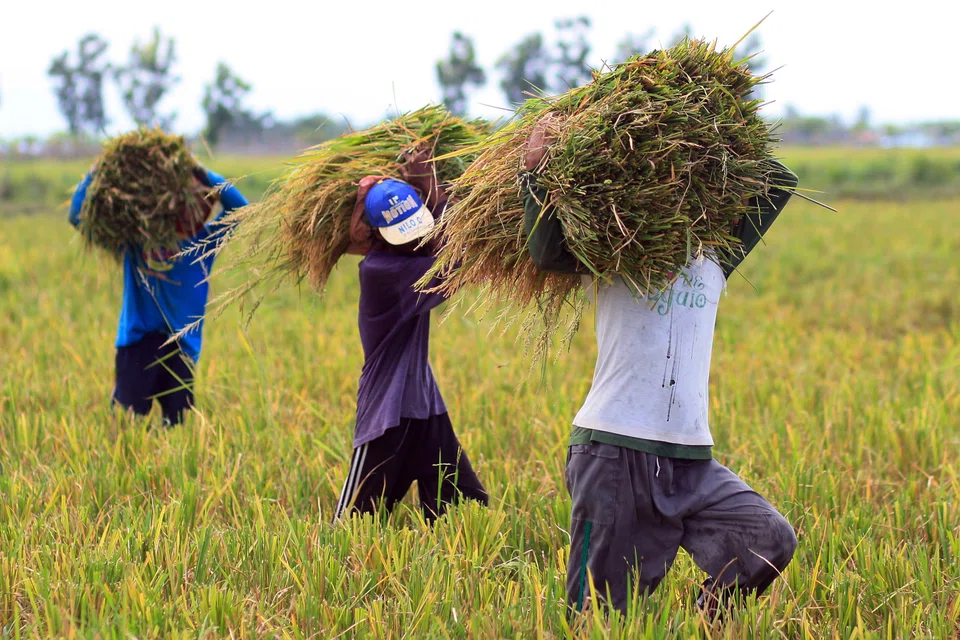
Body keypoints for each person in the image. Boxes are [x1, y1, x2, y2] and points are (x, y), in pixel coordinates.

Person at [521, 114, 799, 616]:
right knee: (598, 612)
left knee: (769, 538)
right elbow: (544, 252)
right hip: (612, 453)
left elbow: (777, 181)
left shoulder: (714, 257)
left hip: (691, 460)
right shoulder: (614, 251)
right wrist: (536, 172)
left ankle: (707, 619)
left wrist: (716, 123)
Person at [333, 149, 488, 524]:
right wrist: (431, 183)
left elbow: (439, 242)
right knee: (355, 523)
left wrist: (424, 183)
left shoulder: (398, 257)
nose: (415, 239)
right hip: (388, 412)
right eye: (405, 233)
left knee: (465, 508)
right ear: (377, 236)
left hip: (424, 404)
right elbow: (456, 255)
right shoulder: (383, 271)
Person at [69, 164, 248, 426]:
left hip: (182, 345)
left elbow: (240, 210)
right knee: (127, 422)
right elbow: (79, 218)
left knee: (177, 425)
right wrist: (95, 174)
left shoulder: (203, 243)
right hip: (138, 341)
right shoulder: (136, 240)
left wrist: (205, 175)